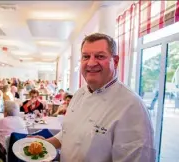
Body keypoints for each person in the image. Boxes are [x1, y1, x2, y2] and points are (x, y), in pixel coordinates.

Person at [35, 33, 155, 161]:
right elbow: (69, 134)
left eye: (100, 56)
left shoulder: (132, 106)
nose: (91, 63)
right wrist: (46, 144)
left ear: (115, 61)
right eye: (86, 56)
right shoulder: (79, 94)